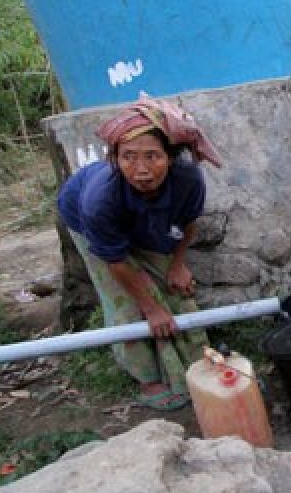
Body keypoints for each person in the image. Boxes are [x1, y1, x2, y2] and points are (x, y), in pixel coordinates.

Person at [58, 94, 223, 412]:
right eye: (129, 157)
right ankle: (148, 378)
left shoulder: (187, 179)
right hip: (86, 220)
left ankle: (196, 359)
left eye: (152, 156)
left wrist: (178, 264)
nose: (141, 169)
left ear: (170, 158)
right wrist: (150, 307)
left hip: (140, 217)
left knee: (176, 290)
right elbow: (116, 263)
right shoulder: (100, 200)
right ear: (115, 160)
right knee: (125, 302)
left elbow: (188, 223)